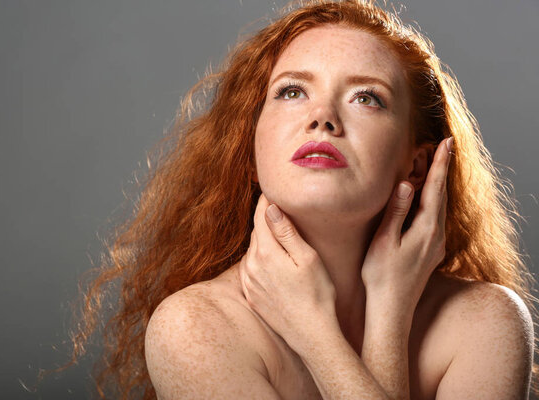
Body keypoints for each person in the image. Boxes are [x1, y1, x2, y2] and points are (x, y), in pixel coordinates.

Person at [69, 0, 537, 398]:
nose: (323, 118)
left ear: (416, 164)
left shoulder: (488, 322)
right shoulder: (195, 328)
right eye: (292, 91)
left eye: (366, 98)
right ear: (249, 149)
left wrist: (363, 322)